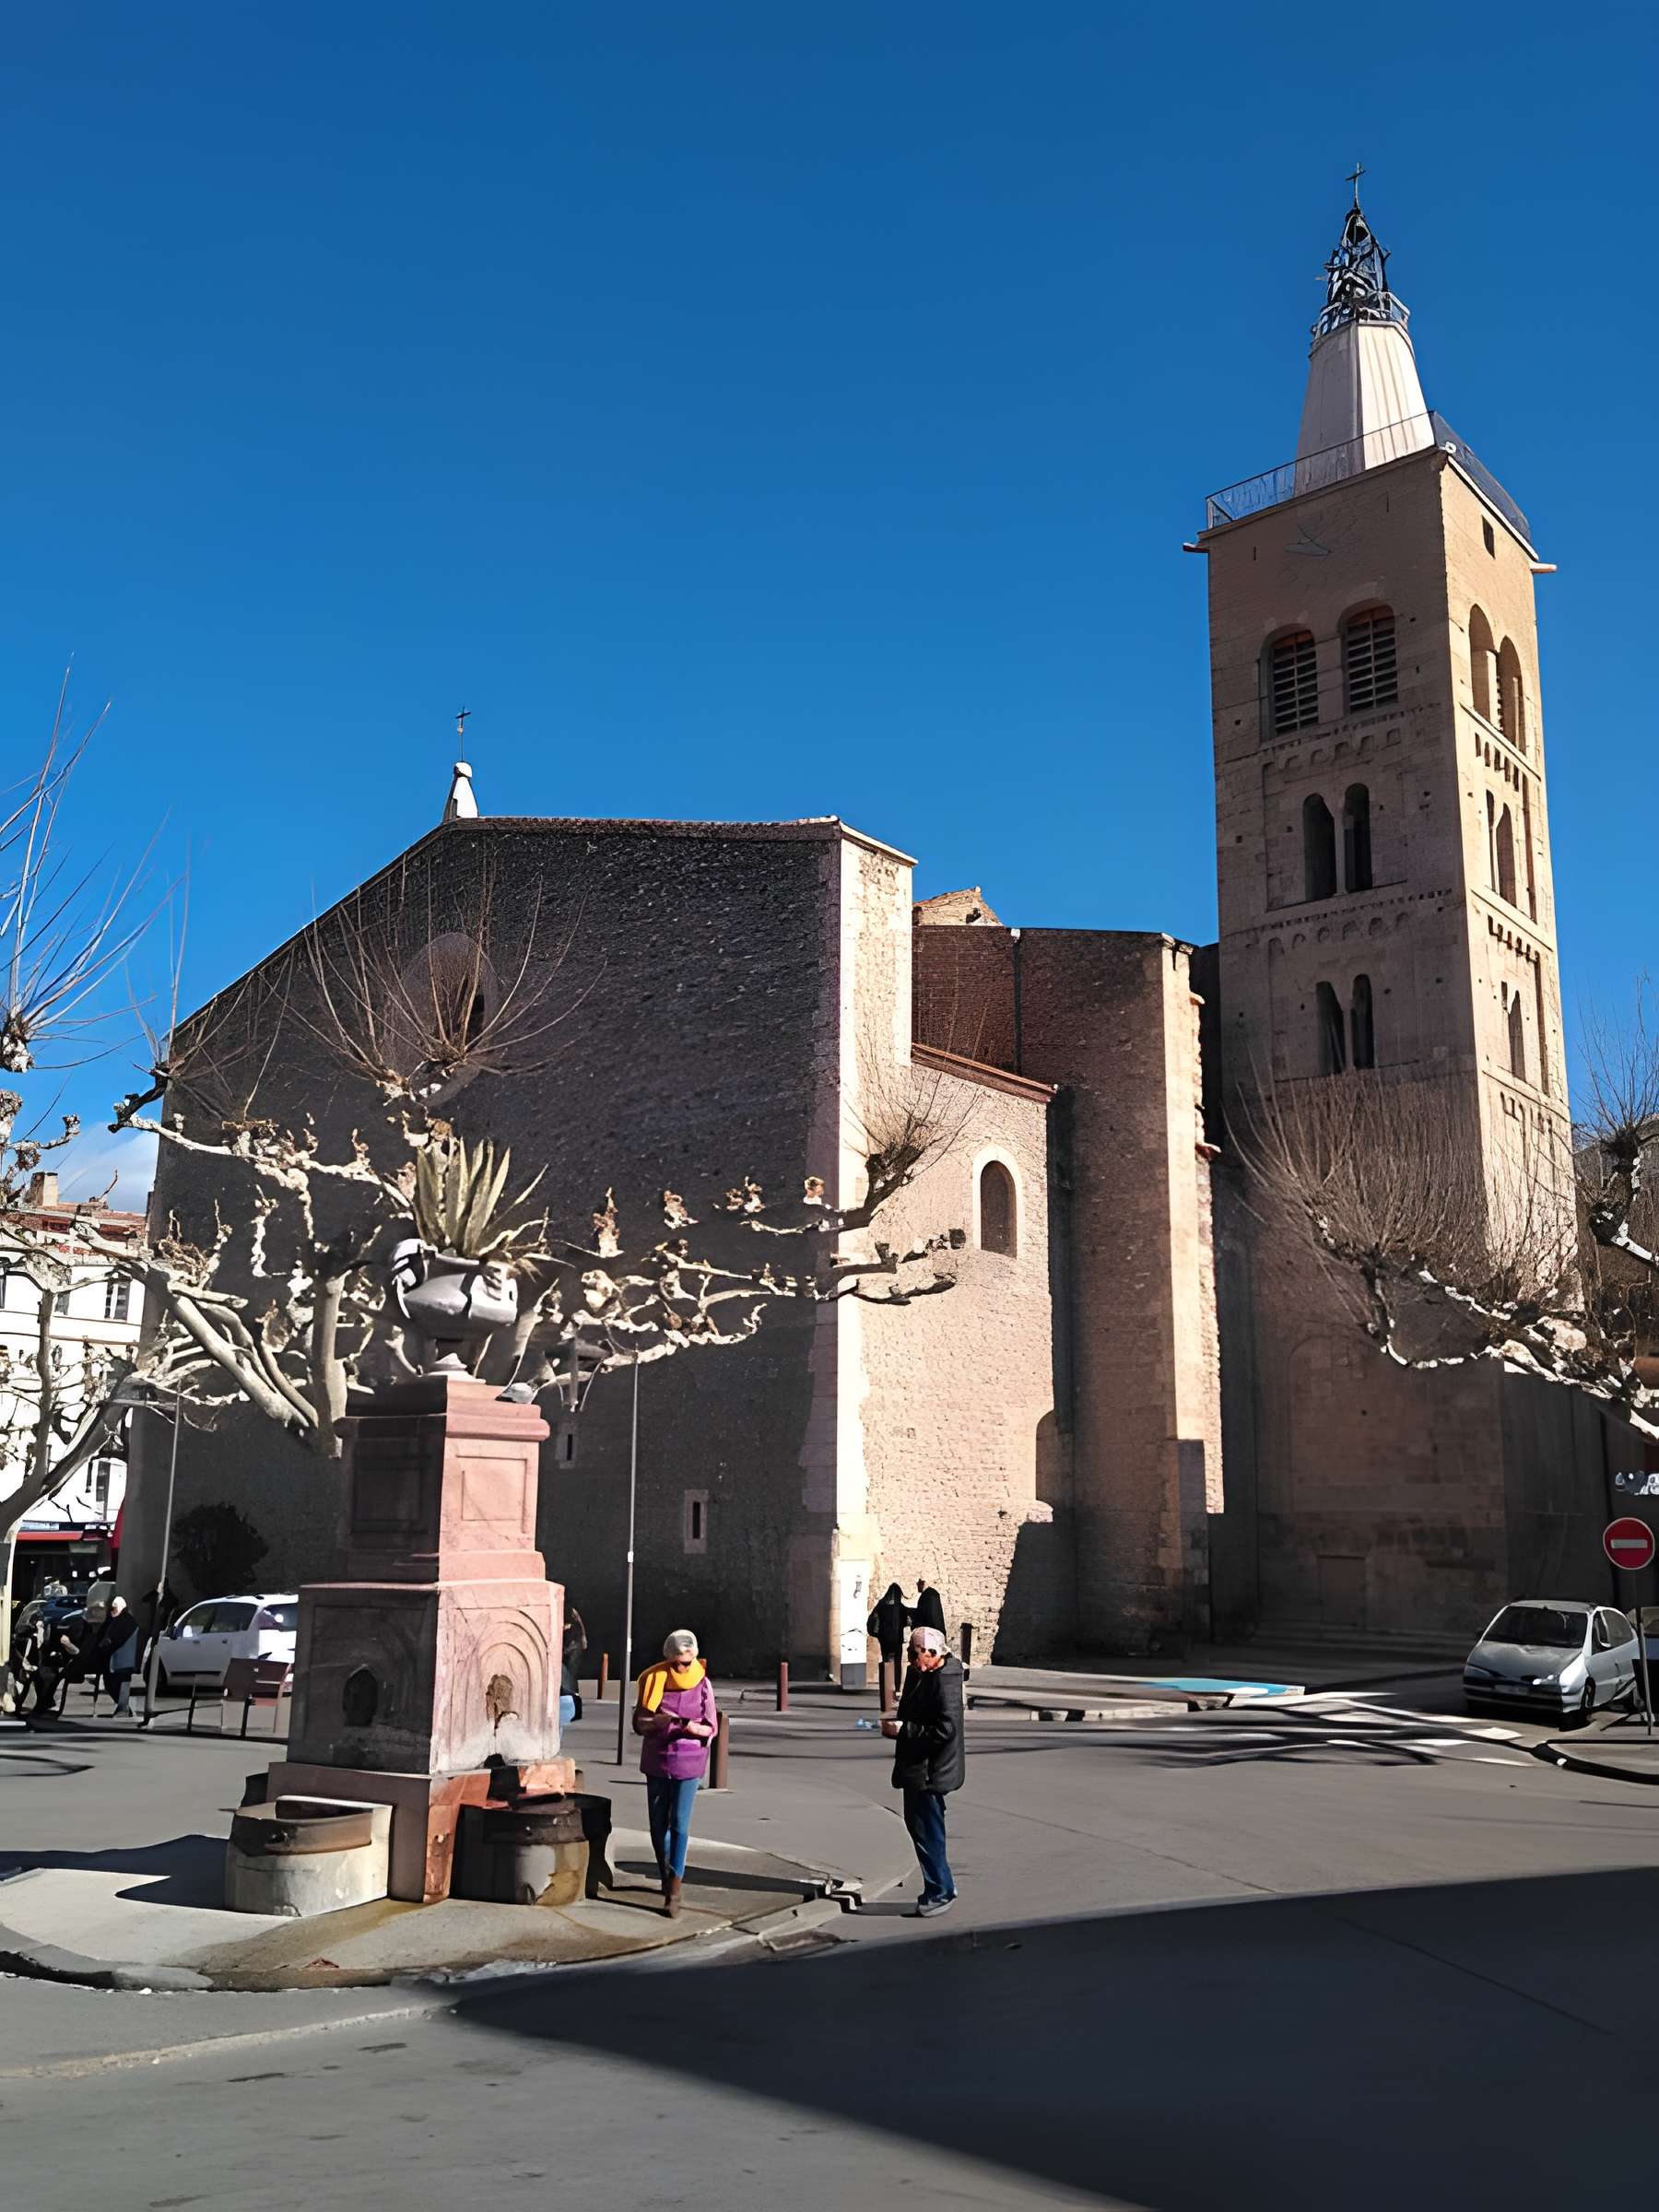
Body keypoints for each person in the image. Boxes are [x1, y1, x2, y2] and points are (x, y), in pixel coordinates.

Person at [632, 1629, 718, 1917]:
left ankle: (674, 1889)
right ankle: (666, 1874)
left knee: (679, 1823)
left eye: (687, 1661)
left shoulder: (702, 1683)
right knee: (658, 1826)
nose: (683, 1667)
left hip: (689, 1761)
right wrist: (659, 1722)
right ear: (668, 1659)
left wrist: (693, 1728)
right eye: (678, 1662)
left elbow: (711, 1726)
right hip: (657, 1760)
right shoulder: (652, 1679)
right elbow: (640, 1721)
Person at [882, 1623, 965, 1917]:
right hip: (919, 1767)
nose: (911, 1659)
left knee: (927, 1830)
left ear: (931, 1653)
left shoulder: (945, 1679)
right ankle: (941, 1887)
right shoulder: (923, 1673)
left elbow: (946, 1729)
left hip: (930, 1770)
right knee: (922, 1828)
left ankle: (940, 1890)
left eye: (915, 1654)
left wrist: (906, 1730)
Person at [94, 1596, 139, 1716]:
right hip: (116, 1659)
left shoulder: (126, 1622)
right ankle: (123, 1708)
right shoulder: (116, 1620)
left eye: (114, 1609)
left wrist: (106, 1644)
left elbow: (116, 1639)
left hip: (123, 1659)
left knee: (120, 1684)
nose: (112, 1611)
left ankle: (123, 1709)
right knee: (113, 1684)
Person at [866, 1582, 912, 1691]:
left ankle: (887, 1687)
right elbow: (908, 1621)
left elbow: (873, 1618)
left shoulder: (881, 1605)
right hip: (897, 1641)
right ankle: (897, 1689)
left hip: (884, 1640)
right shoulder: (900, 1607)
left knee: (886, 1662)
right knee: (897, 1664)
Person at [559, 1605, 587, 1728]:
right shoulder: (572, 1613)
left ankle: (575, 1709)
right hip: (572, 1648)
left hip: (572, 1649)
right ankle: (575, 1710)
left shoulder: (569, 1612)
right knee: (570, 1679)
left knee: (570, 1679)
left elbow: (574, 1625)